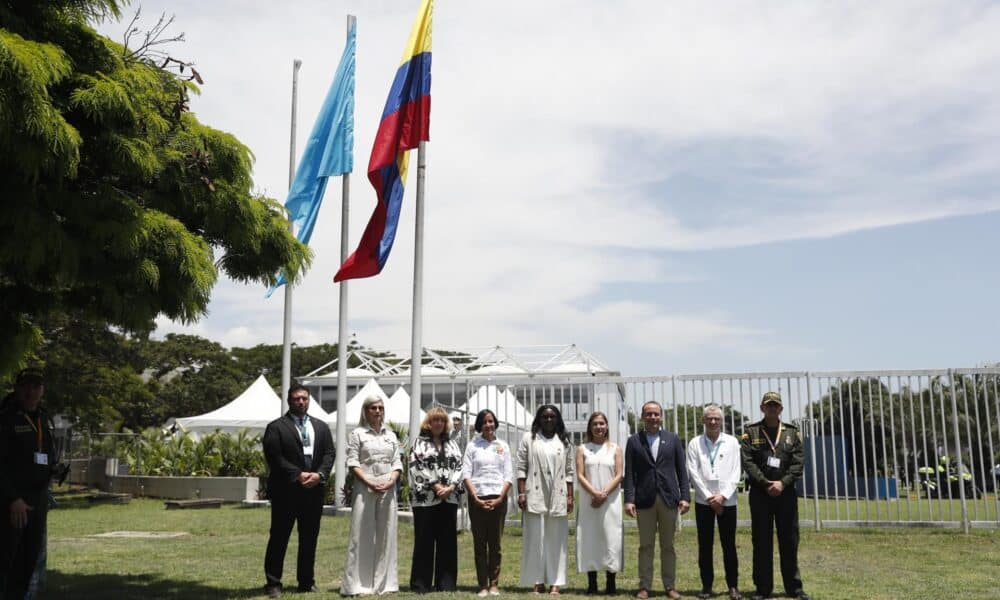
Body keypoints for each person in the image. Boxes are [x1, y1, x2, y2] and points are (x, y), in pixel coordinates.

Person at [262, 384, 335, 598]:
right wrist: (298, 474)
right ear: (288, 401)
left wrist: (319, 475)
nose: (300, 402)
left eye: (304, 398)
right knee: (279, 538)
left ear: (309, 400)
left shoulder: (321, 426)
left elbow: (329, 453)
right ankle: (273, 583)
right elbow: (274, 457)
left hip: (314, 491)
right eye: (296, 399)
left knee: (309, 538)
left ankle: (306, 582)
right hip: (286, 491)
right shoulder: (276, 427)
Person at [740, 392, 810, 600]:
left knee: (789, 540)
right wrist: (764, 482)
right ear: (762, 408)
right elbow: (748, 461)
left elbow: (798, 463)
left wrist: (782, 483)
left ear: (781, 409)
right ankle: (763, 588)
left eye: (775, 405)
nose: (772, 408)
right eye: (768, 405)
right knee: (761, 542)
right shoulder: (750, 432)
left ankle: (794, 588)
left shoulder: (792, 433)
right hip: (760, 495)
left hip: (786, 494)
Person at [623, 400, 690, 600]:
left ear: (662, 416)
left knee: (668, 546)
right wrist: (629, 499)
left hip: (669, 498)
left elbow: (681, 471)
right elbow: (630, 474)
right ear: (643, 417)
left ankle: (669, 586)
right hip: (644, 500)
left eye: (656, 414)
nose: (653, 417)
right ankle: (645, 586)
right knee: (646, 546)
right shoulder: (634, 441)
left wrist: (685, 497)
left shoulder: (673, 439)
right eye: (648, 414)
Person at [0, 368, 55, 599]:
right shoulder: (6, 418)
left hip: (37, 501)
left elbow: (47, 453)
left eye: (35, 386)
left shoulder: (42, 417)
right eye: (26, 386)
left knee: (27, 564)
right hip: (13, 504)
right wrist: (12, 499)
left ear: (42, 390)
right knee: (6, 563)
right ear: (17, 388)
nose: (30, 392)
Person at [341, 396, 403, 595]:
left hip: (388, 487)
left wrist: (391, 480)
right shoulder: (357, 434)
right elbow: (352, 462)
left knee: (387, 534)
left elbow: (397, 462)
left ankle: (385, 584)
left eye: (381, 408)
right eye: (374, 408)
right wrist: (369, 482)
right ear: (365, 411)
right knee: (361, 534)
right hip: (364, 488)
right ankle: (358, 584)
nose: (378, 411)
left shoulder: (391, 435)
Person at [516, 404, 574, 595]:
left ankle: (556, 582)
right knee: (536, 538)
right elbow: (521, 467)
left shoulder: (564, 441)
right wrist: (522, 492)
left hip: (558, 494)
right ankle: (537, 580)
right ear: (538, 420)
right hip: (535, 492)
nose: (548, 420)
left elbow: (569, 472)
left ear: (557, 419)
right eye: (544, 417)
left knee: (556, 539)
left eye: (552, 417)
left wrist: (570, 496)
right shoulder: (529, 439)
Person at [687, 404, 742, 600]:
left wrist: (723, 496)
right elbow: (693, 472)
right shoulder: (695, 443)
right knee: (705, 545)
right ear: (703, 420)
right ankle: (707, 586)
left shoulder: (732, 442)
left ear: (721, 421)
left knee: (729, 545)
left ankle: (733, 586)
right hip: (704, 502)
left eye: (716, 419)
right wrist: (710, 497)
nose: (712, 421)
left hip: (727, 501)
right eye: (709, 418)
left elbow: (736, 471)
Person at [408, 407, 464, 593]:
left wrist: (451, 487)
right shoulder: (419, 443)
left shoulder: (453, 444)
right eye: (435, 420)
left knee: (447, 541)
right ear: (428, 423)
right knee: (424, 541)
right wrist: (435, 485)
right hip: (425, 500)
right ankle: (420, 584)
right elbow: (416, 466)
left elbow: (460, 467)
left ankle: (446, 584)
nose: (438, 423)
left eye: (441, 420)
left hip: (449, 498)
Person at [462, 409, 513, 597]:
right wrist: (475, 497)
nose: (488, 425)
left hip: (498, 498)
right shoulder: (472, 446)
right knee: (480, 543)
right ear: (479, 425)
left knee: (496, 544)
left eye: (491, 421)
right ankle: (482, 584)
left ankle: (494, 583)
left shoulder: (503, 446)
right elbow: (466, 473)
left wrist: (500, 498)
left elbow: (509, 475)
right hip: (478, 498)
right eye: (484, 422)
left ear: (495, 423)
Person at [575, 411, 623, 595]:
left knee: (611, 538)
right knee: (589, 538)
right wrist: (594, 493)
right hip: (589, 500)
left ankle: (611, 581)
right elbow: (580, 474)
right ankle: (592, 582)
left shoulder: (615, 448)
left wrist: (603, 494)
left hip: (610, 500)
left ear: (607, 426)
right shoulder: (582, 449)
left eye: (602, 423)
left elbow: (619, 474)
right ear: (590, 427)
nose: (599, 427)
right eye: (595, 424)